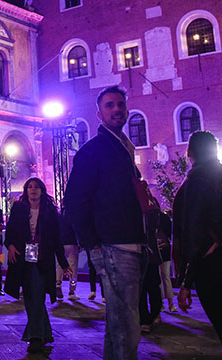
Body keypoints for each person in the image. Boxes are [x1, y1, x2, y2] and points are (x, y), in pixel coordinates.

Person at [63, 85, 148, 360]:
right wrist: (92, 245)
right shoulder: (94, 150)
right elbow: (75, 200)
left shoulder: (122, 146)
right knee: (127, 323)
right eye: (109, 106)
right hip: (114, 244)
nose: (116, 110)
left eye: (120, 105)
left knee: (118, 320)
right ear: (99, 114)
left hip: (129, 241)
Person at [173, 131, 222, 359]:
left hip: (213, 266)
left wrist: (186, 281)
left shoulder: (196, 183)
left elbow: (192, 232)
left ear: (190, 153)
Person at [5, 177, 72, 354]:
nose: (33, 190)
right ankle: (42, 334)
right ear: (26, 191)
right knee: (31, 294)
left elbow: (57, 239)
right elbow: (10, 231)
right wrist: (10, 245)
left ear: (42, 190)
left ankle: (35, 336)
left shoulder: (50, 211)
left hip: (43, 257)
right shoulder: (19, 209)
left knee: (37, 294)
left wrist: (64, 264)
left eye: (36, 187)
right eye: (29, 187)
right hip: (24, 257)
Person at [140, 209, 163, 333]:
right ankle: (145, 318)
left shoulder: (150, 206)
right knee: (143, 288)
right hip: (142, 253)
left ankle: (153, 314)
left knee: (152, 287)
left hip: (150, 253)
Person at [56, 205, 80, 300]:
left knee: (60, 265)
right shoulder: (74, 215)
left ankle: (58, 284)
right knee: (73, 267)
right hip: (72, 243)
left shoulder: (58, 216)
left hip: (61, 243)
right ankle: (72, 290)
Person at [158, 210, 176, 313]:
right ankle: (169, 304)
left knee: (161, 277)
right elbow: (170, 233)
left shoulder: (151, 217)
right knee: (165, 277)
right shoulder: (164, 218)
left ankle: (165, 304)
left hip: (157, 250)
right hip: (163, 249)